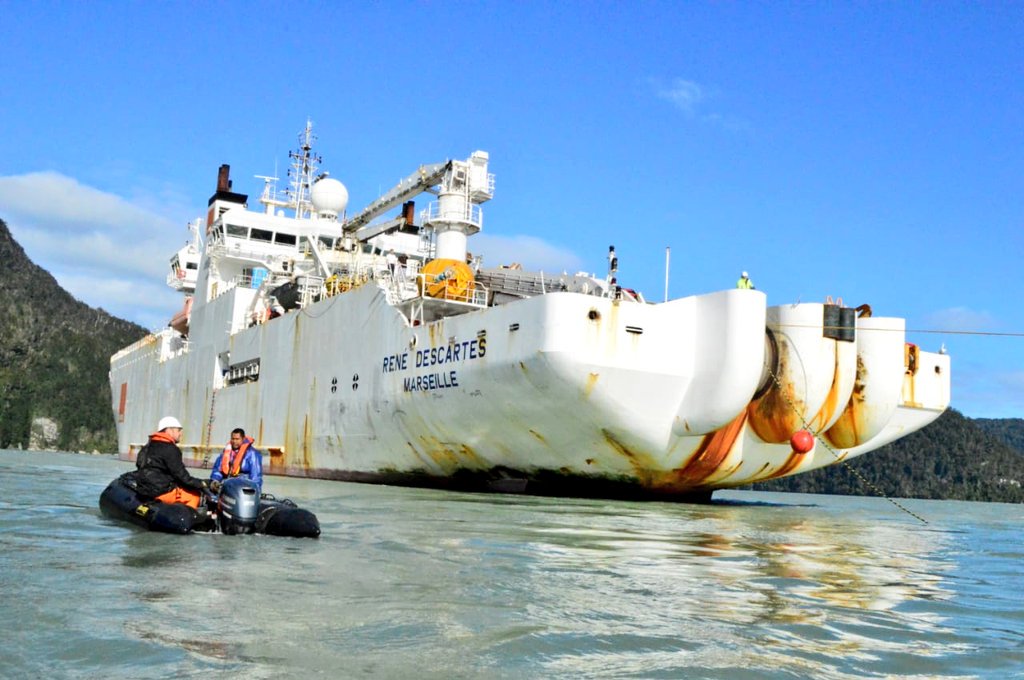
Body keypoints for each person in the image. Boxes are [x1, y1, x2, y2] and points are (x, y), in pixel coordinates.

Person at [135, 416, 209, 508]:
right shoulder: (171, 449)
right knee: (195, 496)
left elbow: (139, 464)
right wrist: (202, 483)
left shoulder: (147, 446)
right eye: (178, 430)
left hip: (143, 490)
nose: (181, 433)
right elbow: (183, 478)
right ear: (169, 430)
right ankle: (185, 518)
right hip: (159, 492)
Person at [210, 428, 263, 493]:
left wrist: (256, 492)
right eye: (233, 439)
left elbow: (256, 477)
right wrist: (215, 480)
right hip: (227, 484)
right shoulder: (226, 452)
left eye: (237, 439)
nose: (234, 441)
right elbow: (218, 469)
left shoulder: (253, 454)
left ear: (243, 439)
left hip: (243, 487)